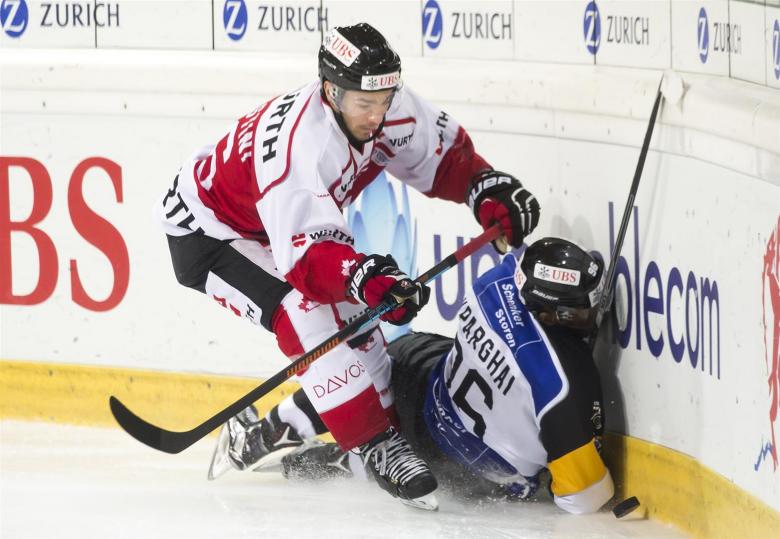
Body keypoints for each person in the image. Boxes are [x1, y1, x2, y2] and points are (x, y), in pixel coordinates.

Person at [156, 22, 540, 510]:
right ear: (331, 92)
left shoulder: (383, 103)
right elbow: (308, 267)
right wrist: (364, 278)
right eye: (364, 104)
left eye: (384, 101)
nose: (377, 116)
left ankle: (286, 435)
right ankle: (376, 445)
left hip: (273, 223)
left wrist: (484, 187)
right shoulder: (300, 150)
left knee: (360, 327)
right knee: (304, 315)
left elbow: (443, 158)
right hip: (210, 233)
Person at [223, 237, 615, 515]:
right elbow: (585, 499)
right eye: (580, 311)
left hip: (426, 394)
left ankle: (266, 434)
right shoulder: (565, 384)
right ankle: (340, 464)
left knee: (368, 367)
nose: (590, 317)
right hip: (470, 474)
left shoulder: (498, 281)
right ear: (549, 313)